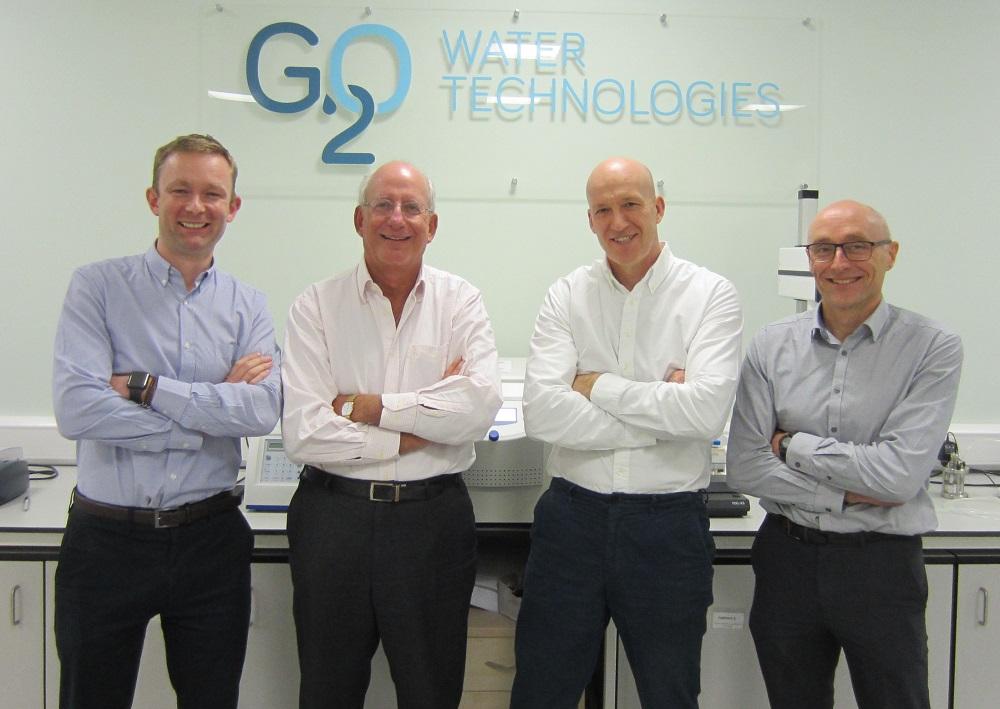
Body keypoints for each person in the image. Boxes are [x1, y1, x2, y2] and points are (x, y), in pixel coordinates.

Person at [52, 134, 282, 709]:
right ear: (154, 198)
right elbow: (77, 408)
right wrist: (206, 415)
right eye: (181, 190)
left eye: (212, 194)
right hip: (107, 542)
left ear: (233, 207)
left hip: (211, 540)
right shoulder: (97, 288)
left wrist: (146, 387)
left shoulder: (248, 305)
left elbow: (260, 409)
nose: (196, 206)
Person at [511, 156, 743, 708]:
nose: (619, 222)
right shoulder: (567, 294)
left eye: (631, 205)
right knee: (541, 693)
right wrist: (664, 415)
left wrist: (596, 385)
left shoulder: (710, 294)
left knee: (670, 693)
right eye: (603, 210)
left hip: (666, 529)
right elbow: (542, 414)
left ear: (658, 208)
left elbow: (706, 414)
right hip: (571, 520)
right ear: (589, 220)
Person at [280, 160, 502, 709]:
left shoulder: (462, 302)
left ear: (433, 223)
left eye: (411, 207)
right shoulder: (315, 307)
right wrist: (419, 427)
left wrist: (372, 407)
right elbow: (305, 434)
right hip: (334, 523)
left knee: (431, 693)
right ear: (359, 219)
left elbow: (476, 410)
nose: (396, 219)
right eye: (383, 205)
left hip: (431, 523)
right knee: (328, 692)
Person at [726, 200, 963, 709]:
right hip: (787, 560)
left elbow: (897, 478)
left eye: (857, 246)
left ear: (890, 254)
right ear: (808, 259)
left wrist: (791, 445)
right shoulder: (770, 346)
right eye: (823, 249)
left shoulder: (932, 347)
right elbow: (745, 463)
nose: (839, 263)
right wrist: (845, 492)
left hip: (879, 566)